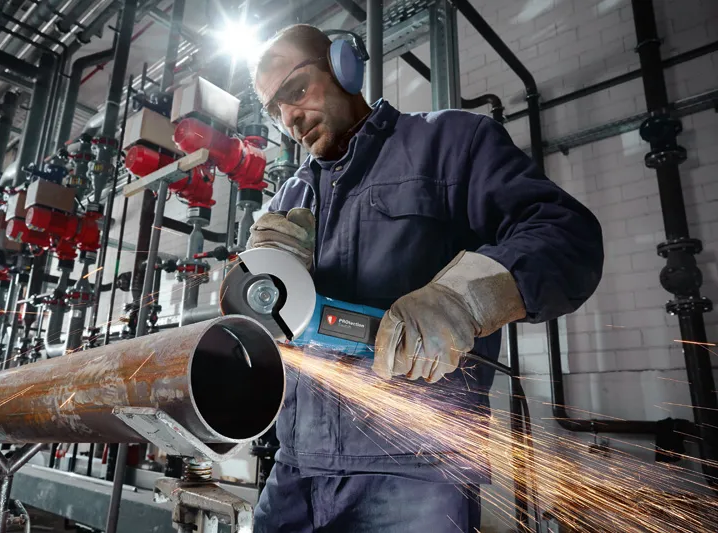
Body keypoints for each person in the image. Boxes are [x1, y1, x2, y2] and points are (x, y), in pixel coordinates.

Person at [245, 24, 604, 532]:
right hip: (297, 467)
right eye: (273, 108)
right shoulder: (289, 200)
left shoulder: (450, 143)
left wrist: (465, 299)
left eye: (296, 91)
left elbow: (565, 234)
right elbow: (262, 331)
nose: (289, 118)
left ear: (345, 66)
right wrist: (262, 281)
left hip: (417, 469)